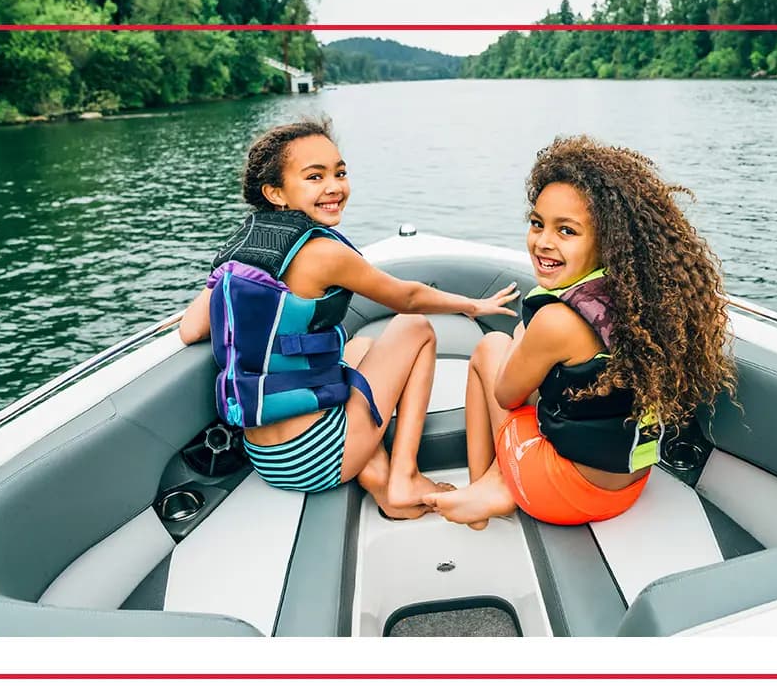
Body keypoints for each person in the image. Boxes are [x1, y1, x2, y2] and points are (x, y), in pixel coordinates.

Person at [178, 118, 518, 519]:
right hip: (316, 454)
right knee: (417, 329)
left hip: (264, 455)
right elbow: (407, 298)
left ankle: (377, 474)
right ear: (276, 192)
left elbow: (190, 329)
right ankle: (404, 477)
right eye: (314, 177)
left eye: (339, 172)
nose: (334, 186)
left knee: (359, 347)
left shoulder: (243, 247)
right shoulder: (324, 254)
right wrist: (471, 305)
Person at [424, 135, 737, 529]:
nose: (543, 242)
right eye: (537, 224)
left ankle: (488, 487)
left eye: (566, 231)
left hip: (565, 495)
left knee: (490, 347)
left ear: (607, 241)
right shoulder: (645, 302)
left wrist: (524, 332)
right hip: (630, 486)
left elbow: (506, 393)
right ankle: (497, 482)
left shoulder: (556, 322)